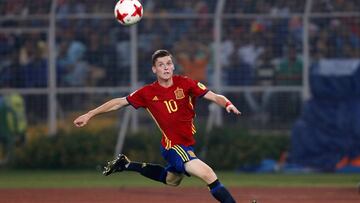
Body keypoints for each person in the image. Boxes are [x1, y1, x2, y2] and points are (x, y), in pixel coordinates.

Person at [74, 50, 240, 203]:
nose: (166, 68)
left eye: (168, 63)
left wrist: (227, 104)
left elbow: (213, 96)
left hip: (187, 143)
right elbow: (118, 103)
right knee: (208, 174)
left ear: (173, 66)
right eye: (161, 65)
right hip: (173, 146)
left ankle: (126, 164)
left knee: (172, 180)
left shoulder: (186, 83)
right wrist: (89, 114)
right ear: (154, 69)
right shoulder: (147, 92)